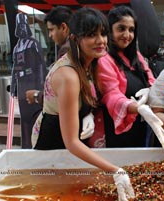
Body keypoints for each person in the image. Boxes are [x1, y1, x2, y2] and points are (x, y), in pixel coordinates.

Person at [32, 8, 135, 200]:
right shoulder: (68, 75)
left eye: (103, 33)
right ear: (74, 38)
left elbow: (91, 96)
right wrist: (115, 171)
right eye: (91, 35)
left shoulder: (90, 62)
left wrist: (87, 113)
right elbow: (71, 142)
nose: (101, 41)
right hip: (53, 142)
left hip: (72, 140)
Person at [96, 6, 164, 148]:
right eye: (121, 29)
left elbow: (152, 80)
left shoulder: (136, 56)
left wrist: (151, 91)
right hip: (117, 128)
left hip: (142, 125)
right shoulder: (103, 58)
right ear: (109, 30)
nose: (127, 34)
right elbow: (111, 94)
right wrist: (137, 108)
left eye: (131, 30)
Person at [10, 13, 47, 148]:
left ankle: (36, 143)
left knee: (34, 117)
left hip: (33, 83)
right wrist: (13, 86)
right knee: (24, 118)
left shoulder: (33, 43)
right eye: (19, 26)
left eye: (23, 26)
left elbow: (40, 65)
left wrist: (42, 85)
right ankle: (26, 145)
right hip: (22, 87)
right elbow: (15, 67)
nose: (22, 29)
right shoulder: (16, 48)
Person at [26, 6, 72, 106]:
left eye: (51, 30)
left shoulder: (67, 50)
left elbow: (62, 91)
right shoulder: (75, 44)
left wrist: (36, 96)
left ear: (64, 27)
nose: (50, 35)